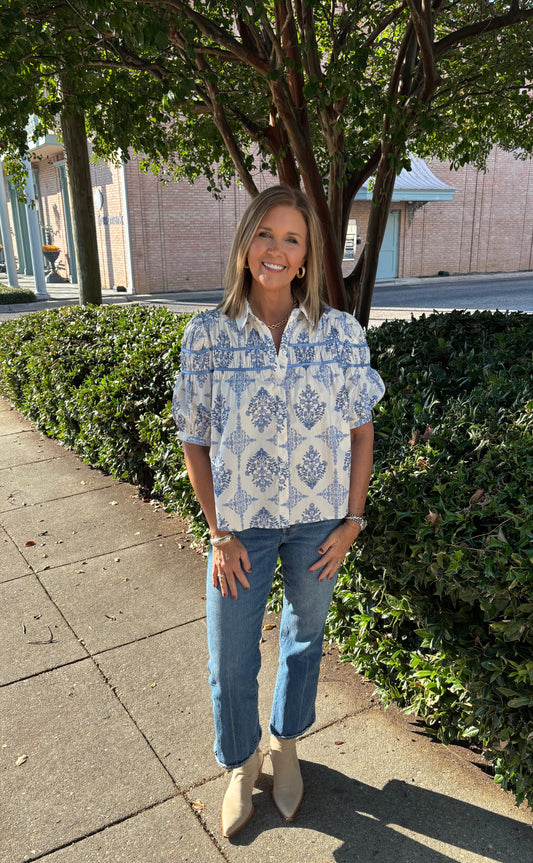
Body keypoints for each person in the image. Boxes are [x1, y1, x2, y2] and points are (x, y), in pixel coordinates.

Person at [172, 185, 384, 838]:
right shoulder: (208, 335)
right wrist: (218, 533)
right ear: (245, 243)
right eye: (265, 233)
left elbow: (361, 432)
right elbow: (194, 439)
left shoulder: (338, 334)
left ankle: (286, 743)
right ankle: (242, 762)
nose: (276, 249)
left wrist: (351, 522)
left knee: (303, 640)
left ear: (306, 256)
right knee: (229, 659)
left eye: (292, 239)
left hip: (318, 525)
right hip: (241, 531)